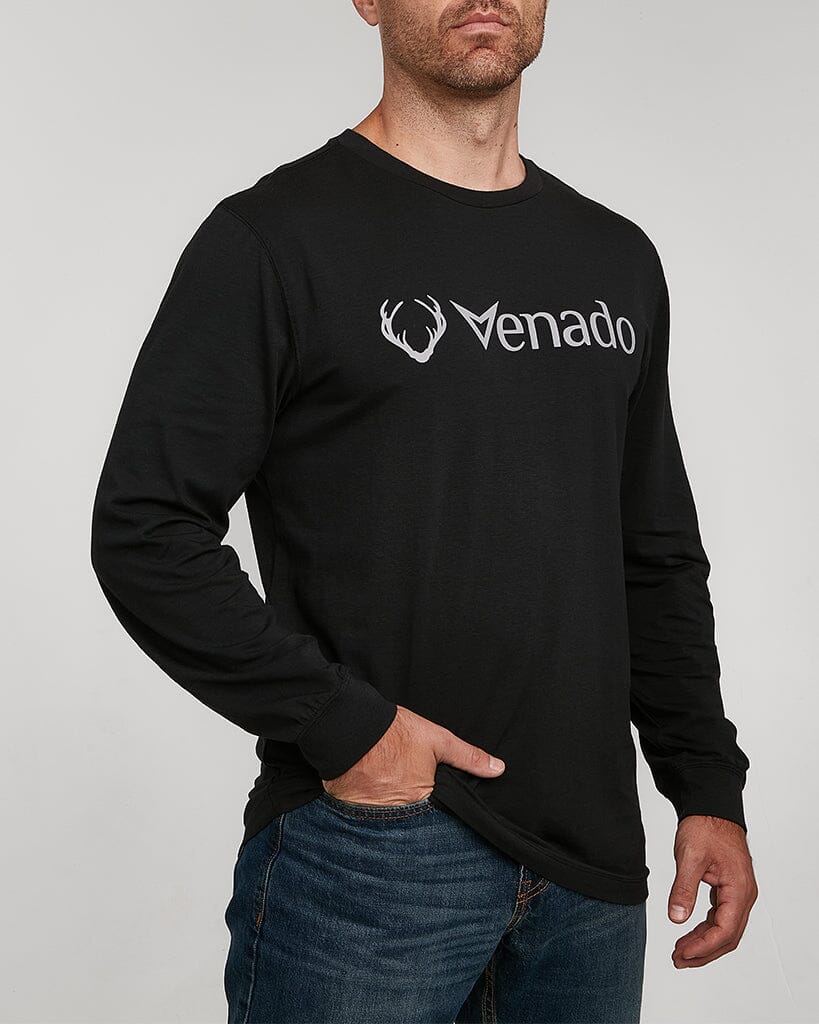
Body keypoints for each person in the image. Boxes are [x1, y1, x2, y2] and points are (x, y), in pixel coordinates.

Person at [90, 0, 758, 1020]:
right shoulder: (273, 239)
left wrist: (704, 784)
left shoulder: (614, 257)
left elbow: (652, 551)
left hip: (590, 873)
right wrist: (349, 728)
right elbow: (146, 529)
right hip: (370, 854)